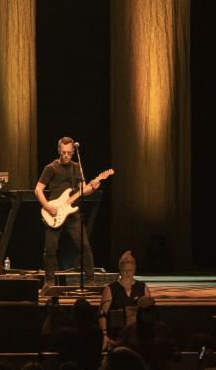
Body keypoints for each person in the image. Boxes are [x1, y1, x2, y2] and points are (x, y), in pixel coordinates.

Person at [35, 136, 98, 289]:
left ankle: (90, 280)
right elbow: (38, 189)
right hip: (54, 211)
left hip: (72, 211)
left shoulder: (77, 168)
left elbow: (83, 191)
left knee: (84, 246)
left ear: (73, 152)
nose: (66, 155)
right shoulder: (51, 168)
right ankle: (49, 281)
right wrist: (47, 207)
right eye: (63, 152)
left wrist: (92, 188)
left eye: (69, 152)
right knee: (50, 248)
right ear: (58, 150)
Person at [99, 251, 152, 345]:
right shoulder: (111, 289)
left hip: (138, 336)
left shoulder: (142, 287)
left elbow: (150, 312)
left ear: (134, 269)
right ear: (120, 269)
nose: (127, 274)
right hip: (117, 336)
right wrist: (104, 335)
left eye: (130, 270)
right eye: (124, 271)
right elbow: (102, 314)